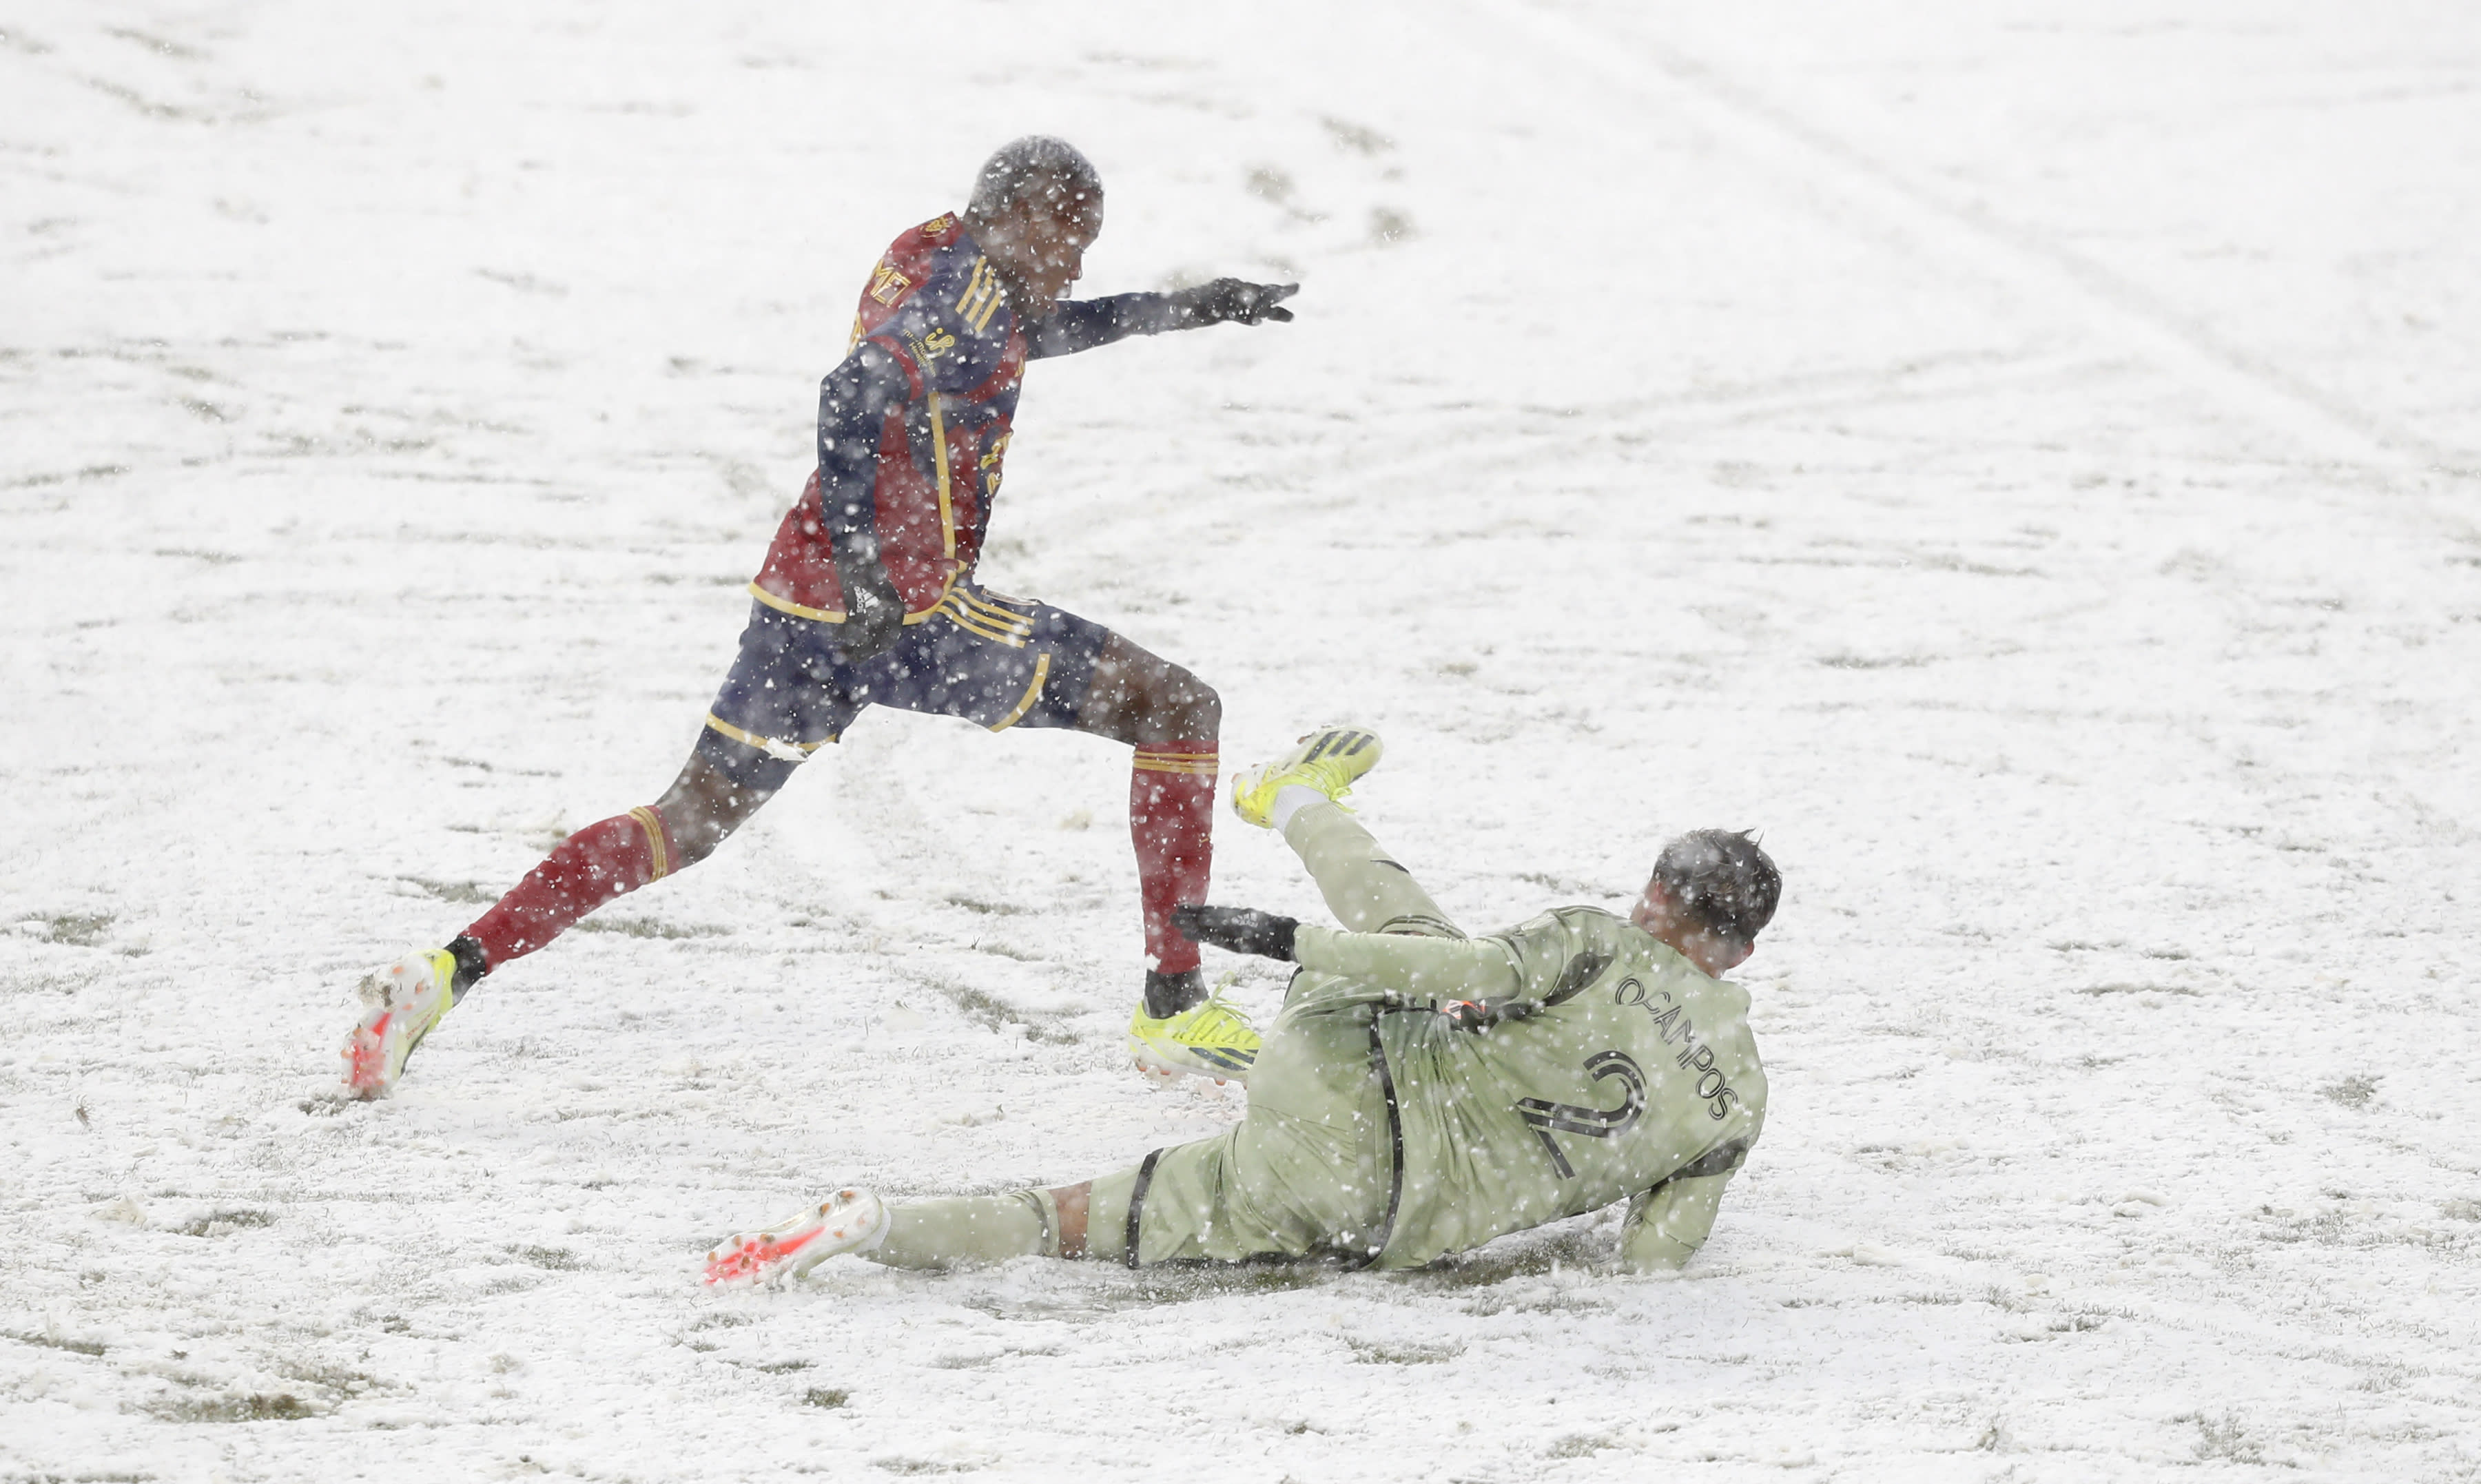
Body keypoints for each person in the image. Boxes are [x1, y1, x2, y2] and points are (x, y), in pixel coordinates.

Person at [341, 138, 1300, 1100]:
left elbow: (1020, 333)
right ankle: (1173, 1006)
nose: (1078, 266)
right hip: (909, 616)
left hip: (797, 608)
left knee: (687, 818)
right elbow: (850, 393)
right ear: (1013, 218)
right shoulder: (954, 304)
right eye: (1071, 242)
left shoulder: (936, 252)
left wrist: (1181, 310)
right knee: (1179, 708)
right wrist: (873, 576)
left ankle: (448, 970)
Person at [701, 726, 1780, 1284]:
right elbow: (1652, 1258)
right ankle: (878, 1222)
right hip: (1365, 1217)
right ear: (1735, 951)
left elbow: (1469, 977)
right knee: (1062, 1220)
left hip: (1342, 1074)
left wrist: (1291, 940)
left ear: (1655, 895)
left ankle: (1292, 800)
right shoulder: (1738, 1108)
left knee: (1416, 943)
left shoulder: (1600, 940)